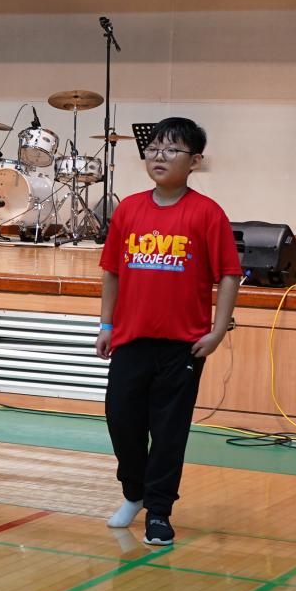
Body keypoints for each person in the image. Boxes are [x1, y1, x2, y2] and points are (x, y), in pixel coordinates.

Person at [96, 117, 240, 547]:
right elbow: (111, 271)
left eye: (172, 150)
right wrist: (106, 324)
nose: (159, 156)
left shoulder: (207, 213)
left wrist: (218, 331)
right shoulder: (128, 209)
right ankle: (134, 493)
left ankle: (159, 511)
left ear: (194, 161)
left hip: (183, 346)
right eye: (154, 148)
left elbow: (229, 275)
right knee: (121, 421)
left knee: (169, 430)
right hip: (131, 339)